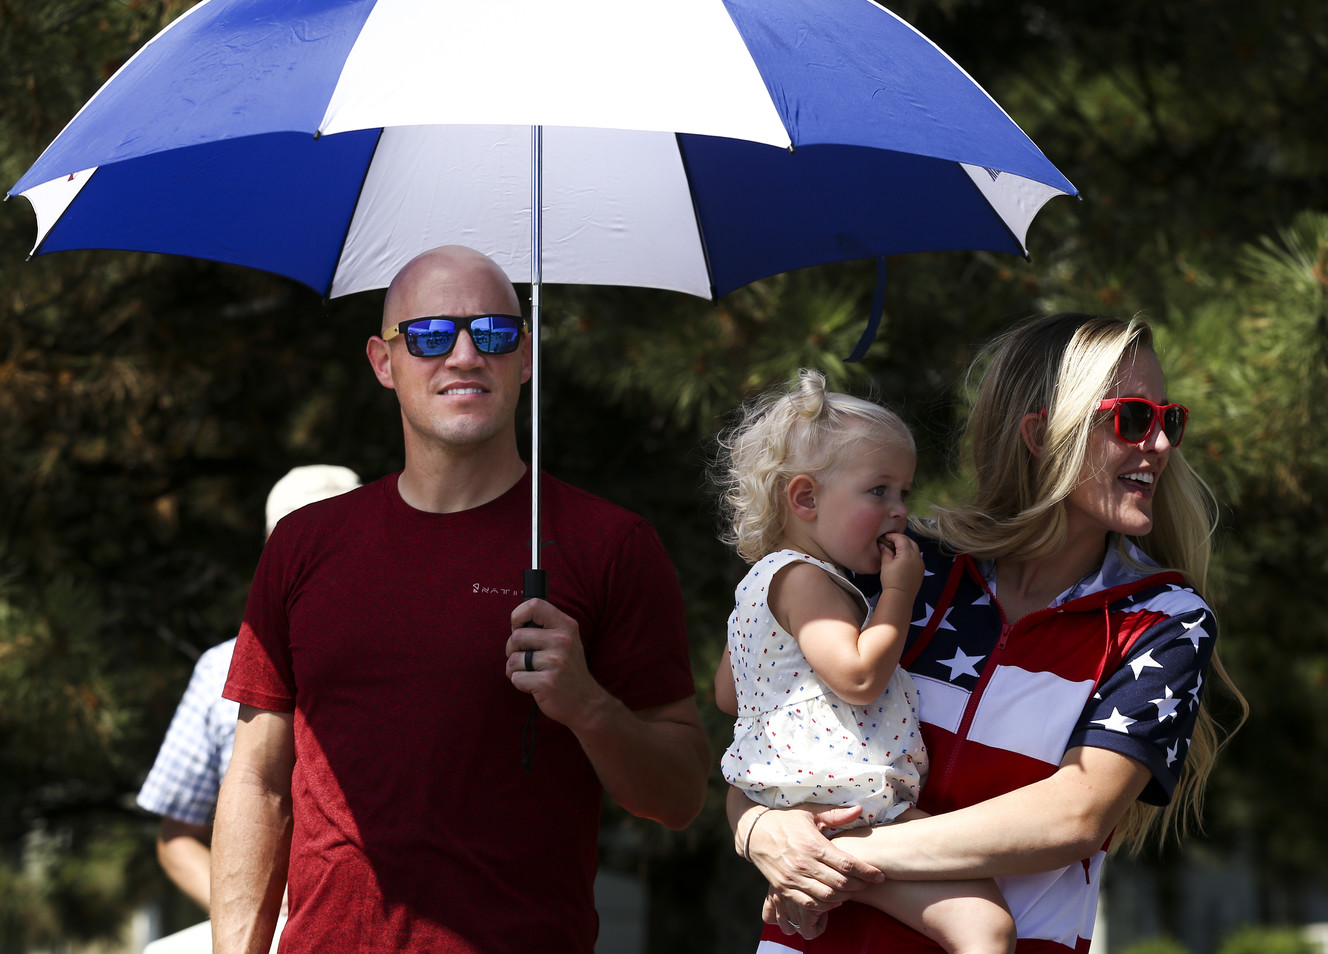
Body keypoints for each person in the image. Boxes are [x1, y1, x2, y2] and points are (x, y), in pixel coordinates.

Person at [211, 245, 711, 954]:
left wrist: (587, 705)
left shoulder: (610, 546)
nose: (466, 355)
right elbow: (259, 778)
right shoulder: (302, 545)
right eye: (431, 336)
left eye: (495, 333)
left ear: (527, 356)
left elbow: (681, 796)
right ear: (384, 363)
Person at [726, 314, 1246, 952]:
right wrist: (756, 827)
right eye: (1133, 418)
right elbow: (774, 738)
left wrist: (834, 852)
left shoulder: (1166, 618)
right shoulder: (902, 564)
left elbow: (1075, 816)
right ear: (1039, 434)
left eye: (1170, 420)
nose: (1161, 444)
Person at [711, 371, 1015, 953]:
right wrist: (900, 591)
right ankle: (819, 879)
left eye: (904, 492)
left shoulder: (756, 585)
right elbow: (857, 677)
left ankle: (811, 885)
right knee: (986, 927)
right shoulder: (807, 579)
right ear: (805, 498)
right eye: (879, 491)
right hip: (850, 800)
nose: (899, 510)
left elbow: (729, 693)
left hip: (798, 798)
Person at [138, 464, 362, 912]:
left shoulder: (413, 654)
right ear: (270, 554)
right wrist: (258, 917)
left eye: (336, 539)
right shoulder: (219, 668)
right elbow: (177, 837)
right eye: (299, 541)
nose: (318, 558)